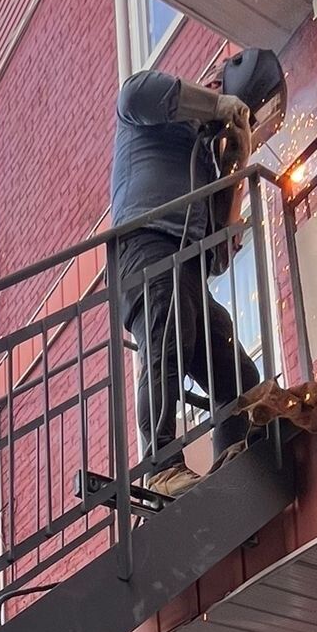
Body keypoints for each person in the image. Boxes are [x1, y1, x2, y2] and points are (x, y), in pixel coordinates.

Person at [110, 60, 268, 498]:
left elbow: (217, 255)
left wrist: (235, 163)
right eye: (220, 91)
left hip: (188, 267)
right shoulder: (147, 110)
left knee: (235, 371)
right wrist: (217, 104)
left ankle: (236, 455)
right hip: (144, 245)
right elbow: (134, 94)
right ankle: (161, 467)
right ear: (213, 85)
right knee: (167, 338)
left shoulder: (203, 158)